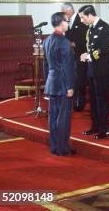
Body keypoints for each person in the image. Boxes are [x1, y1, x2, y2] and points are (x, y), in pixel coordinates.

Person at [43, 12, 76, 156]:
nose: (68, 24)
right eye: (67, 21)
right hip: (63, 84)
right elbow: (67, 67)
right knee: (63, 117)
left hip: (52, 83)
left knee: (53, 116)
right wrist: (70, 86)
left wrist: (48, 82)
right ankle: (63, 148)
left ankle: (54, 147)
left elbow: (46, 65)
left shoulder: (47, 40)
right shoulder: (64, 42)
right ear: (61, 23)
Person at [78, 5, 109, 139]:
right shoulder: (91, 29)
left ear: (90, 14)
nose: (81, 20)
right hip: (92, 69)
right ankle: (95, 126)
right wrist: (86, 54)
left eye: (83, 17)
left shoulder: (105, 27)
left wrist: (90, 56)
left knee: (102, 99)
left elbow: (104, 49)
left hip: (102, 69)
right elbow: (91, 46)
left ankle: (105, 129)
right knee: (93, 99)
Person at [61, 2, 88, 111]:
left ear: (69, 11)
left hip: (81, 54)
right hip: (71, 55)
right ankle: (74, 101)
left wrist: (74, 44)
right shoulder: (68, 21)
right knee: (73, 78)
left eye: (63, 12)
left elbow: (85, 37)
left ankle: (79, 102)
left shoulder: (81, 19)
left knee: (80, 79)